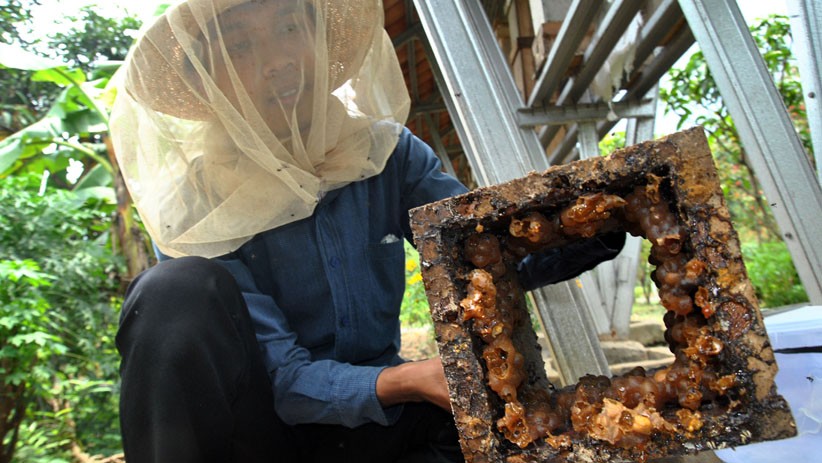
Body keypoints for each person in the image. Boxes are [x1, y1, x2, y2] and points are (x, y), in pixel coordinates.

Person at [109, 1, 624, 462]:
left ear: (320, 40)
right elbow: (284, 379)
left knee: (495, 428)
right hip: (260, 432)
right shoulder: (196, 207)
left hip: (371, 423)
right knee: (170, 291)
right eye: (240, 44)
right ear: (208, 80)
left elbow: (483, 253)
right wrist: (408, 379)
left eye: (290, 26)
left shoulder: (385, 154)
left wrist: (594, 217)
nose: (278, 58)